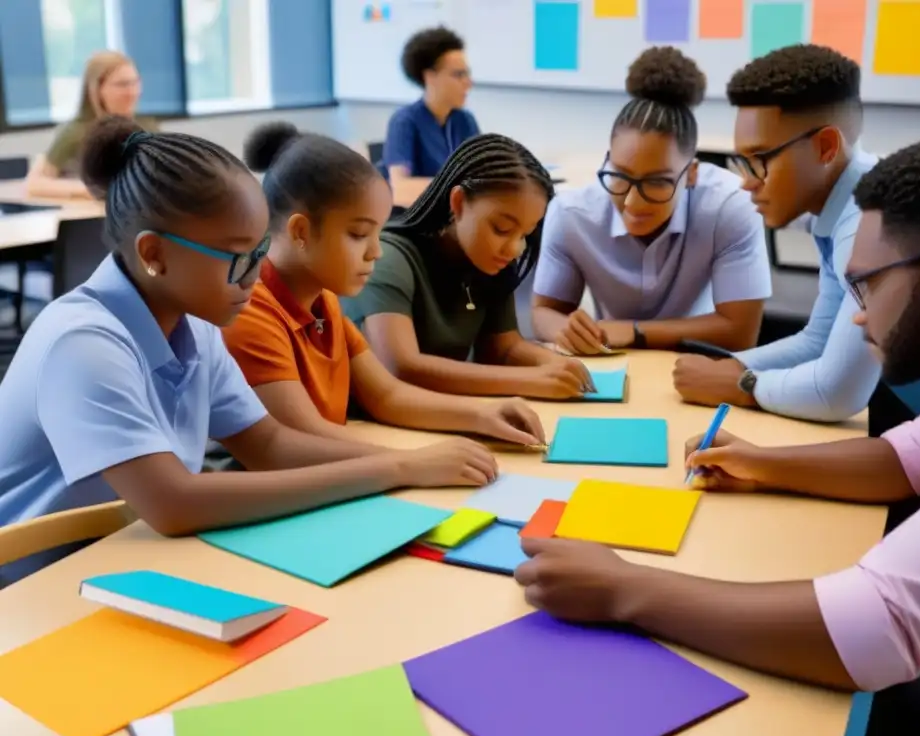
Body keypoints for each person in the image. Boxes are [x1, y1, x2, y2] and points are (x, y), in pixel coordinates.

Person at [515, 135, 920, 736]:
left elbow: (871, 631)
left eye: (863, 287)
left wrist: (624, 587)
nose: (859, 318)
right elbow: (904, 459)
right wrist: (760, 463)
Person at [0, 117, 511, 586]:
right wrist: (396, 470)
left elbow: (268, 445)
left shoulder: (195, 324)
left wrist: (417, 462)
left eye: (259, 255)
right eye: (236, 259)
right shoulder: (84, 344)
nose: (253, 278)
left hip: (117, 561)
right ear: (154, 254)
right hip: (30, 589)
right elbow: (174, 502)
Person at [223, 122, 546, 448]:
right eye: (359, 235)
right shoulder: (250, 311)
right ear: (301, 232)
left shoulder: (323, 302)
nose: (376, 251)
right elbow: (301, 437)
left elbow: (388, 396)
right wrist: (413, 462)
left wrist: (481, 415)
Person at [671, 44, 879, 421]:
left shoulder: (869, 223)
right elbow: (818, 342)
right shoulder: (843, 206)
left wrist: (739, 383)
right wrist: (731, 366)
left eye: (760, 160)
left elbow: (838, 392)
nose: (747, 183)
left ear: (826, 147)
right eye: (742, 162)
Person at [532, 47, 770, 355]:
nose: (632, 202)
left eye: (657, 182)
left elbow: (740, 332)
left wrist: (634, 331)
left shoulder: (731, 205)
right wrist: (571, 332)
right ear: (607, 160)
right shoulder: (571, 213)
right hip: (610, 363)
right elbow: (543, 313)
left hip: (697, 363)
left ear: (692, 174)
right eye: (620, 175)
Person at [343, 133, 594, 399]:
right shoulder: (389, 259)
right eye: (502, 229)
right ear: (459, 202)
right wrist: (530, 379)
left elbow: (503, 349)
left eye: (524, 234)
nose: (514, 249)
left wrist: (555, 363)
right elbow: (401, 367)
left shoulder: (489, 263)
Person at [25, 50, 158, 199]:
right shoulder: (76, 132)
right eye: (122, 84)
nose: (132, 92)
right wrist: (93, 190)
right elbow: (35, 184)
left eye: (135, 82)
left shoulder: (147, 127)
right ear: (97, 89)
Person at [383, 26, 479, 184]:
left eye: (467, 74)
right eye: (458, 75)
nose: (468, 83)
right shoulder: (405, 121)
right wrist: (457, 190)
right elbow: (400, 186)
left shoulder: (465, 120)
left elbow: (481, 175)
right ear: (429, 77)